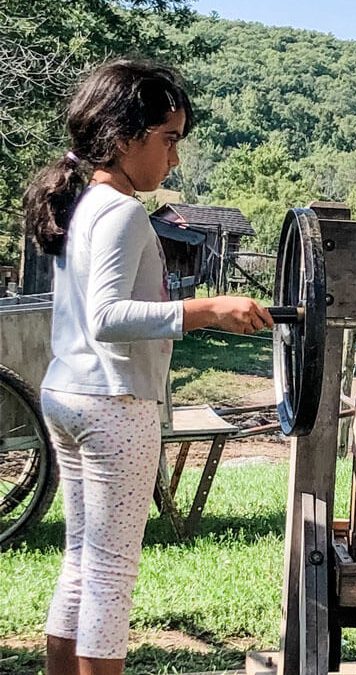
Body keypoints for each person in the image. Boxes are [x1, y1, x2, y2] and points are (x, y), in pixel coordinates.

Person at [23, 59, 273, 675]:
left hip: (68, 394)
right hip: (114, 404)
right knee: (112, 572)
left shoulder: (84, 204)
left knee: (83, 560)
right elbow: (108, 317)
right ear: (121, 136)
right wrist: (207, 310)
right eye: (168, 139)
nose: (175, 159)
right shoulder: (122, 212)